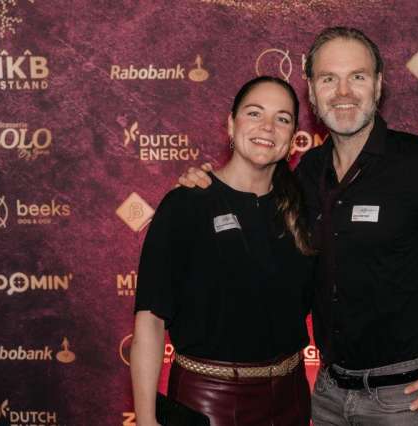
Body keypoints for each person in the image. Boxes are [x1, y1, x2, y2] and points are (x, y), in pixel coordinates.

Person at [179, 27, 418, 425]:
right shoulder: (306, 173)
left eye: (357, 77)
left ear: (378, 85)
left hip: (406, 402)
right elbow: (257, 231)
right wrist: (205, 190)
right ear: (312, 91)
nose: (343, 92)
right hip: (326, 397)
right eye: (329, 79)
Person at [130, 76, 314, 426]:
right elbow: (150, 321)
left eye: (282, 118)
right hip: (209, 402)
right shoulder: (186, 204)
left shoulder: (302, 209)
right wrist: (146, 420)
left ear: (293, 138)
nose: (267, 126)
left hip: (291, 399)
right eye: (254, 113)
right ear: (231, 124)